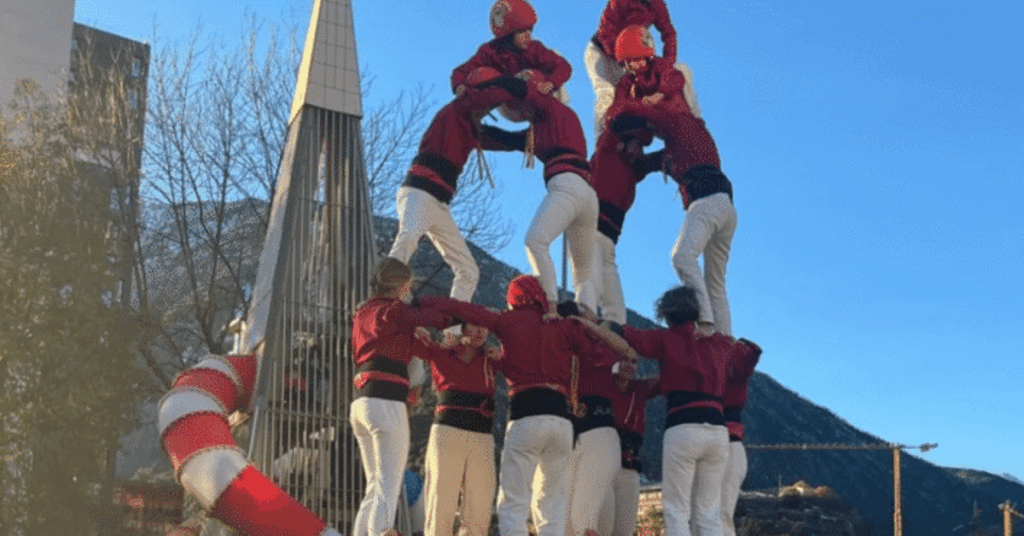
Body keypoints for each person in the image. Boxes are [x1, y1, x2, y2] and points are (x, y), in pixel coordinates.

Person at [419, 276, 637, 536]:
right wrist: (582, 323)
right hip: (561, 423)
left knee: (514, 501)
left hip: (525, 416)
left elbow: (460, 309)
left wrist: (421, 300)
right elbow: (620, 352)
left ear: (512, 300)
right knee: (552, 504)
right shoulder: (565, 326)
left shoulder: (507, 320)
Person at [606, 25, 736, 335]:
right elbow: (645, 165)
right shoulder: (679, 145)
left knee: (681, 257)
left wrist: (625, 111)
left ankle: (704, 326)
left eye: (636, 60)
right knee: (715, 281)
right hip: (725, 206)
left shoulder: (681, 121)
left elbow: (641, 115)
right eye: (628, 63)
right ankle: (725, 340)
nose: (632, 67)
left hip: (705, 200)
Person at [387, 68, 527, 303]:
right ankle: (380, 304)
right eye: (489, 106)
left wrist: (529, 138)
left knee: (468, 271)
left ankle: (452, 333)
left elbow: (501, 139)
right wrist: (515, 85)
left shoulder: (468, 125)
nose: (488, 110)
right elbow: (483, 99)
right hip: (420, 193)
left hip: (438, 203)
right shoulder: (458, 109)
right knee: (407, 240)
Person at [614, 286, 742, 536]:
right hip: (717, 429)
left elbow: (634, 337)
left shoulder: (666, 339)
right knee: (708, 511)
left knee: (677, 510)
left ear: (667, 315)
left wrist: (607, 324)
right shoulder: (719, 344)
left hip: (683, 426)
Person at [349, 257, 455, 536]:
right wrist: (453, 319)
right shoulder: (394, 312)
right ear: (402, 286)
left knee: (374, 485)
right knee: (388, 484)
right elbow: (431, 324)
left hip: (361, 401)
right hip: (387, 403)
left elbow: (419, 342)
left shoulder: (362, 314)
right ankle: (382, 532)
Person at [479, 81, 600, 313]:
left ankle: (550, 306)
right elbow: (507, 140)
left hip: (566, 185)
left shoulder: (551, 109)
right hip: (586, 192)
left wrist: (493, 87)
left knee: (535, 241)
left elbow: (526, 96)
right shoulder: (553, 122)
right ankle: (587, 317)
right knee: (583, 270)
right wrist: (475, 132)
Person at [413, 323, 501, 536]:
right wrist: (421, 329)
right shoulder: (441, 350)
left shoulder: (492, 358)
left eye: (484, 328)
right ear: (461, 328)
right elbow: (413, 336)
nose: (481, 331)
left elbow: (522, 357)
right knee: (440, 504)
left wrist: (502, 354)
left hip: (482, 435)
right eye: (475, 327)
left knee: (479, 510)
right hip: (447, 432)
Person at [589, 128, 664, 323]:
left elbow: (658, 159)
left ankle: (616, 329)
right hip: (589, 228)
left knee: (608, 286)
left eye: (642, 146)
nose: (640, 150)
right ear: (623, 141)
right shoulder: (607, 151)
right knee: (589, 278)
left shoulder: (633, 169)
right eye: (637, 144)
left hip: (609, 238)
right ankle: (584, 318)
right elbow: (615, 123)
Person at [585, 0, 678, 137]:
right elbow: (606, 32)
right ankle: (602, 142)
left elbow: (669, 34)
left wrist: (666, 66)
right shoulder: (619, 2)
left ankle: (631, 146)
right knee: (607, 94)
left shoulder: (657, 5)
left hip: (629, 57)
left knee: (633, 98)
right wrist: (627, 62)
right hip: (601, 53)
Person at [597, 373, 657, 536]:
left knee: (625, 530)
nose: (628, 366)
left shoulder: (638, 389)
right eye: (622, 360)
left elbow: (665, 379)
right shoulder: (600, 385)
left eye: (632, 361)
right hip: (603, 466)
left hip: (629, 466)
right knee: (602, 527)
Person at [720, 338, 762, 536]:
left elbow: (750, 358)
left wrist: (739, 346)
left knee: (721, 513)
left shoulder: (735, 376)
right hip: (723, 442)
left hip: (728, 443)